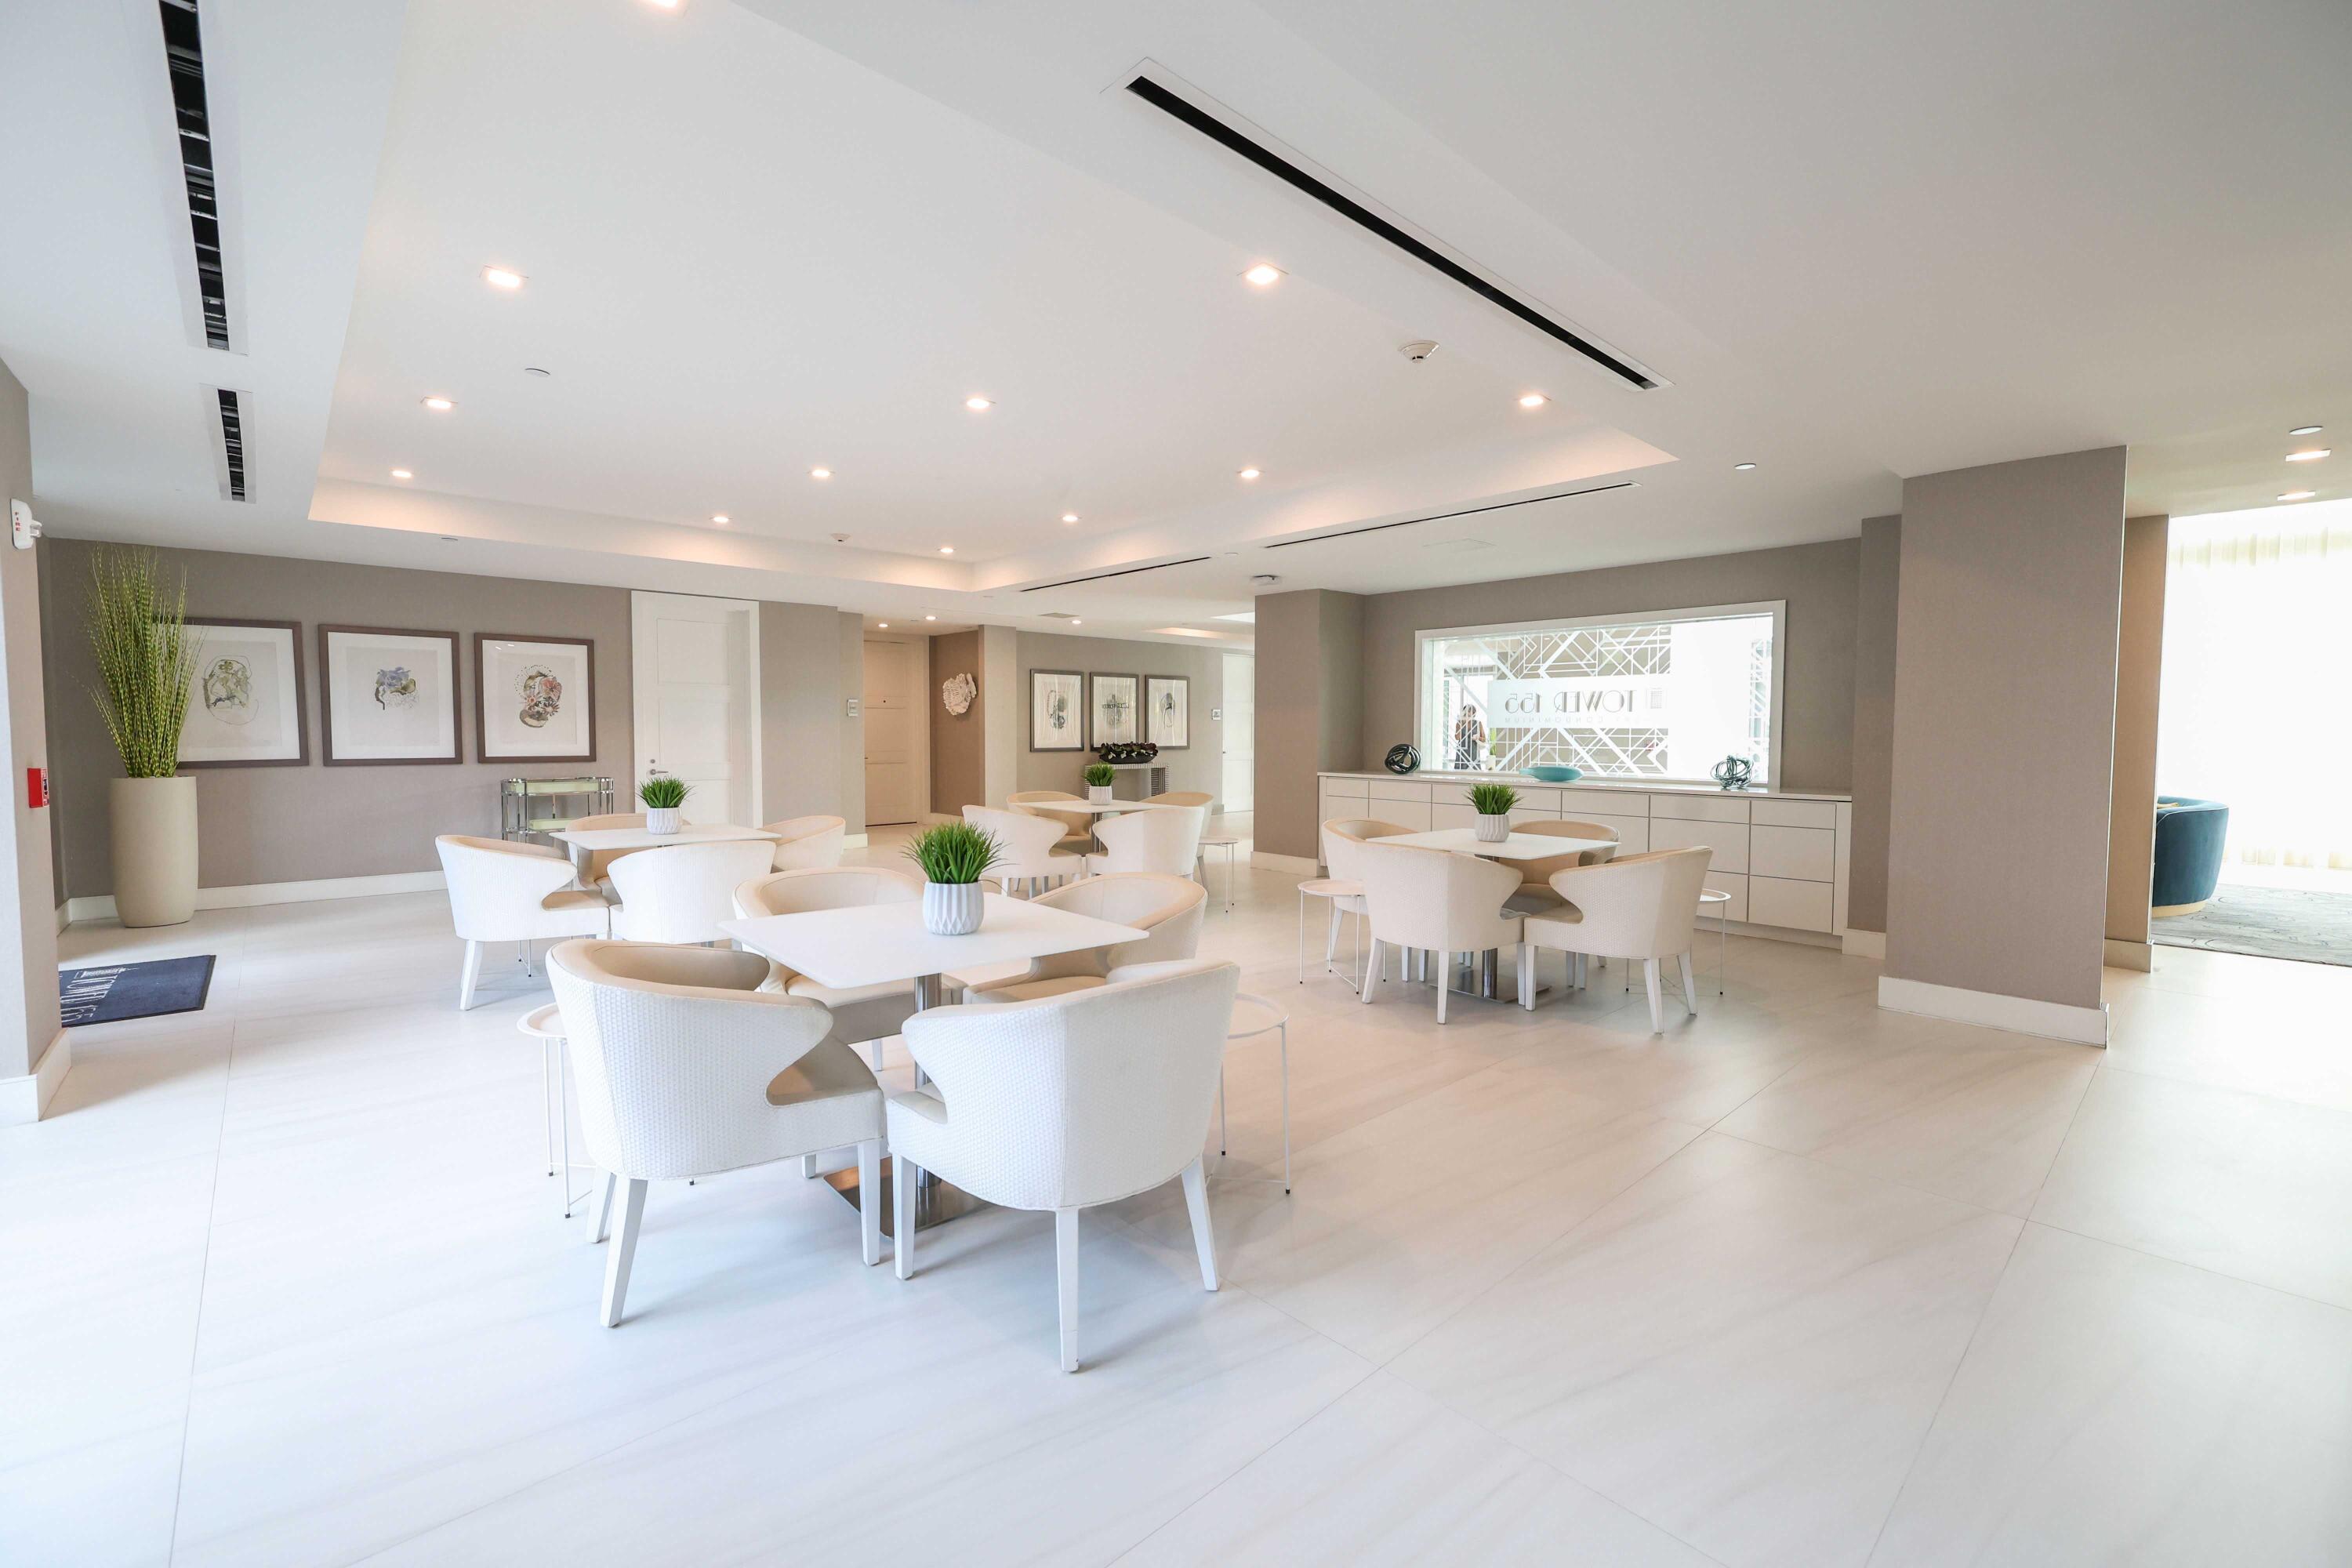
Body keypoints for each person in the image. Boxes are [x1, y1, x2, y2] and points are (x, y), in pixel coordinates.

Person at [1451, 702, 1486, 770]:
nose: (1469, 713)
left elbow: (1484, 739)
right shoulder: (1459, 723)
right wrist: (1462, 724)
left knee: (1474, 772)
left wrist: (1477, 737)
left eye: (1471, 711)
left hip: (1474, 751)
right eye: (1468, 711)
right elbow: (1457, 737)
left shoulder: (1478, 723)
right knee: (1461, 773)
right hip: (1462, 750)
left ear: (1474, 713)